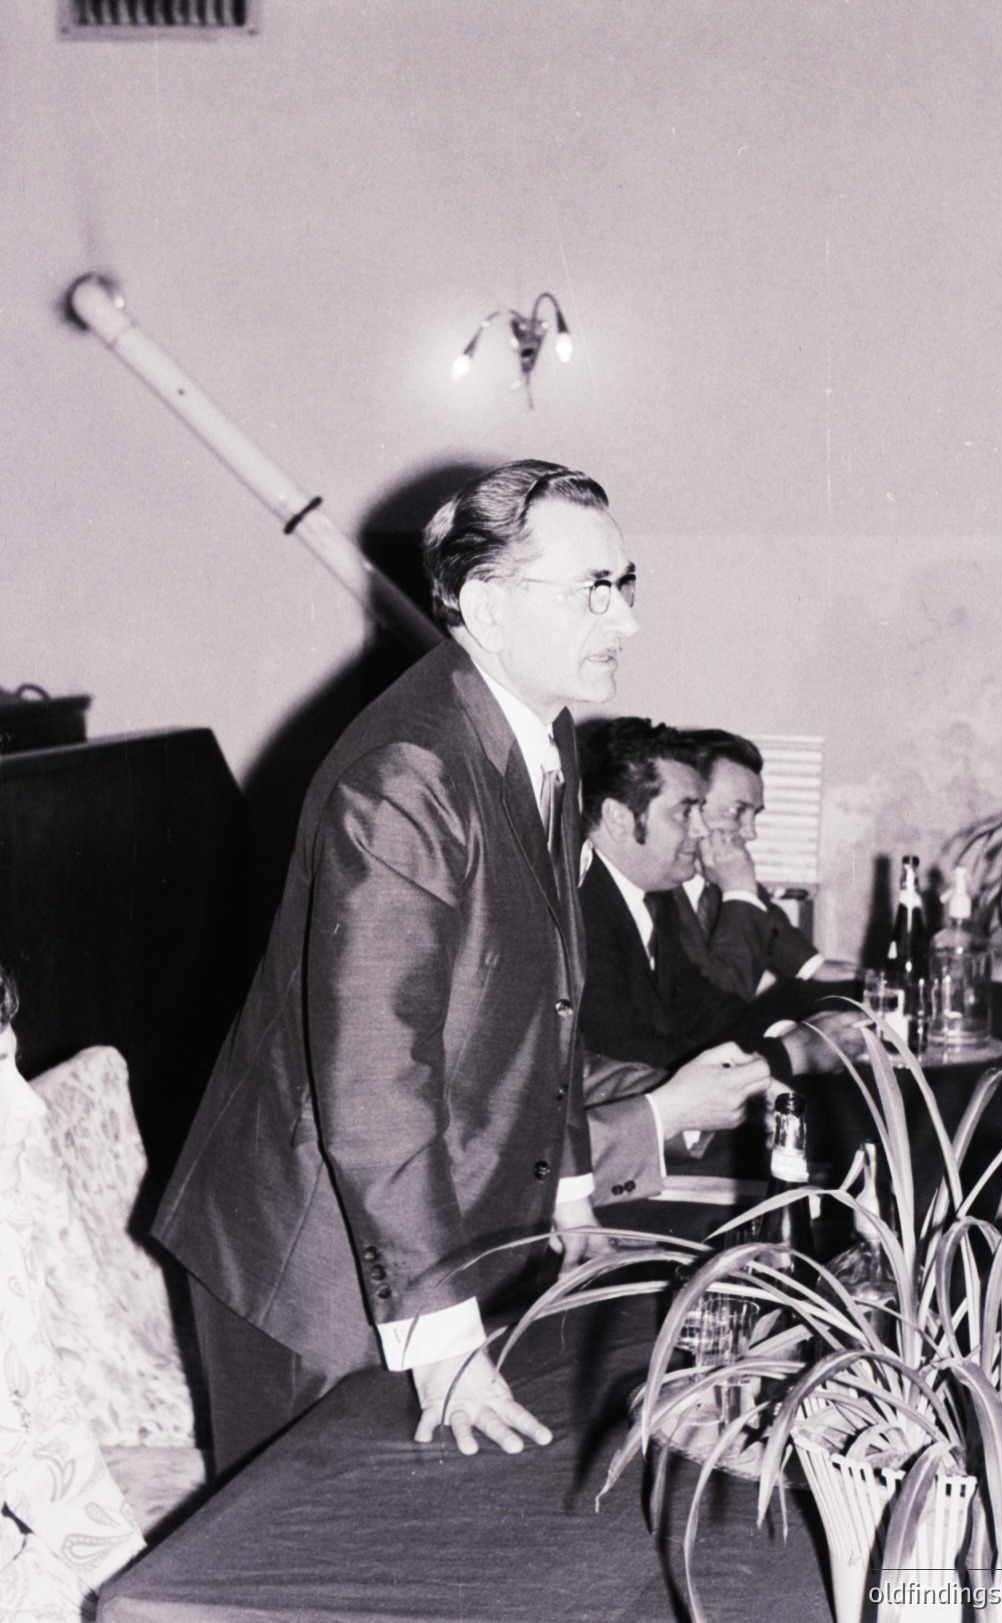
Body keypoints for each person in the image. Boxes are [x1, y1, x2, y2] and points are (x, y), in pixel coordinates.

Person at [154, 461, 772, 1474]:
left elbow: (554, 1003)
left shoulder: (546, 732)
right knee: (304, 1568)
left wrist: (571, 1190)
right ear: (486, 603)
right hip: (309, 1267)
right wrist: (442, 1341)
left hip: (421, 1230)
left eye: (627, 585)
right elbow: (373, 1078)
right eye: (593, 591)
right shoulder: (410, 771)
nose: (624, 622)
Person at [578, 718, 862, 1200]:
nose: (700, 829)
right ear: (619, 818)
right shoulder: (582, 906)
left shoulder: (647, 895)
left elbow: (709, 1012)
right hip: (605, 1172)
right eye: (684, 812)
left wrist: (793, 1040)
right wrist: (790, 1053)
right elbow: (636, 1061)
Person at [679, 728, 826, 1005]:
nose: (750, 833)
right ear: (689, 808)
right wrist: (739, 891)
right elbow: (715, 1007)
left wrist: (888, 986)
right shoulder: (656, 891)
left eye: (754, 815)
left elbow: (818, 972)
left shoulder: (729, 883)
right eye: (736, 812)